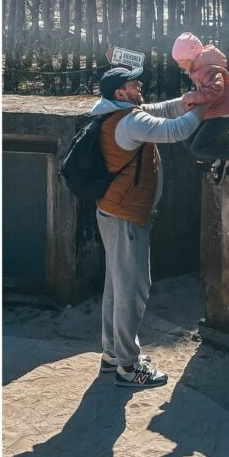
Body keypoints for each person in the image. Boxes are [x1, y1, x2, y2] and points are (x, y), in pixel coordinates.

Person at [93, 66, 207, 389]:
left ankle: (113, 353)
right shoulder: (129, 122)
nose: (139, 84)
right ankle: (128, 367)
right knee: (133, 288)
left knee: (116, 285)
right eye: (133, 83)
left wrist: (189, 99)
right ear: (120, 93)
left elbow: (163, 110)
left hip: (112, 211)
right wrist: (206, 105)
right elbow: (175, 130)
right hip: (126, 216)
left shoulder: (115, 112)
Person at [171, 32, 229, 181]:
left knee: (197, 147)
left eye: (181, 60)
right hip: (211, 114)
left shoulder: (208, 68)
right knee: (187, 139)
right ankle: (218, 159)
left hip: (221, 117)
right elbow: (206, 93)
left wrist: (192, 97)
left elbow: (216, 89)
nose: (179, 64)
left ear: (191, 57)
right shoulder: (199, 67)